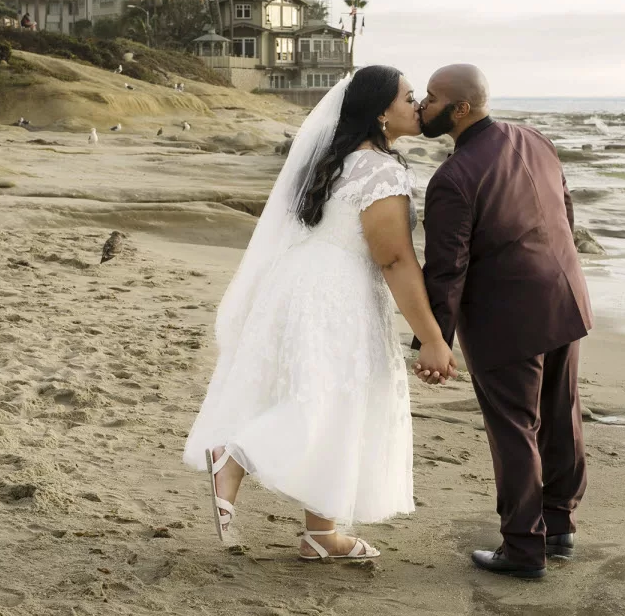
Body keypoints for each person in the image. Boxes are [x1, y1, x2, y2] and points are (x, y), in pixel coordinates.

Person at [183, 66, 456, 560]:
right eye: (408, 97)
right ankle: (235, 455)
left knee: (328, 398)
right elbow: (393, 258)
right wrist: (433, 338)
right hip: (338, 293)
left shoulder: (332, 162)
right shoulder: (381, 171)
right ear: (380, 111)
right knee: (330, 398)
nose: (417, 105)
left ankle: (322, 533)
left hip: (297, 282)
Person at [415, 64, 593, 579]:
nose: (424, 106)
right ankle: (559, 526)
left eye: (431, 98)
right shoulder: (535, 138)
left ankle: (522, 547)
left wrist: (434, 341)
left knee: (515, 429)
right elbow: (565, 212)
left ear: (461, 109)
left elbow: (447, 268)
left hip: (505, 319)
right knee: (562, 417)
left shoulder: (453, 178)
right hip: (564, 297)